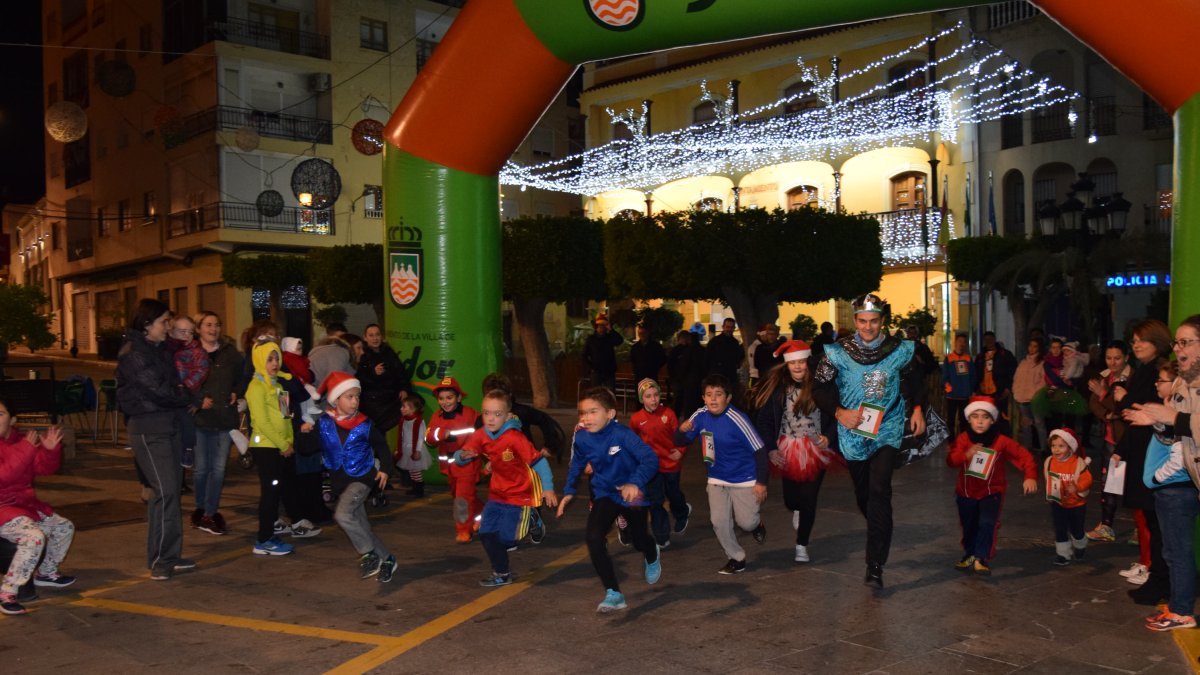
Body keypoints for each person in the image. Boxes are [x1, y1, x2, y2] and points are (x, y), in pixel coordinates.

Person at [813, 293, 927, 588]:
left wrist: (917, 409)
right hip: (852, 432)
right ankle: (880, 522)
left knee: (880, 489)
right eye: (862, 321)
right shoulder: (835, 353)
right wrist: (840, 412)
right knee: (865, 494)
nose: (868, 327)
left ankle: (875, 564)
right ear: (855, 321)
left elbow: (916, 379)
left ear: (882, 321)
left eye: (873, 321)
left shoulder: (900, 350)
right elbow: (820, 390)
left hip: (887, 426)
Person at [1123, 315, 1200, 630]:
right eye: (1177, 343)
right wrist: (1156, 420)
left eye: (1186, 342)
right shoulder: (1184, 383)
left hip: (1182, 481)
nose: (1178, 350)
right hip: (1191, 477)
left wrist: (1173, 418)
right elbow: (1179, 434)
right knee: (1174, 548)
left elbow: (1183, 423)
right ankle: (1180, 609)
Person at [116, 298, 196, 581]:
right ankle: (162, 561)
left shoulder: (155, 348)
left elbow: (175, 380)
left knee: (167, 493)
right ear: (147, 324)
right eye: (164, 321)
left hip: (167, 425)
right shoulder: (134, 353)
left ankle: (166, 556)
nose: (168, 326)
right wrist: (186, 395)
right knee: (166, 493)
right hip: (149, 429)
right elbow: (160, 390)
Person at [558, 387, 658, 611]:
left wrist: (635, 482)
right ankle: (613, 592)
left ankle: (651, 553)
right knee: (593, 537)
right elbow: (577, 464)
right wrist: (569, 491)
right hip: (606, 493)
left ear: (610, 414)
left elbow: (650, 460)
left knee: (639, 540)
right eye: (582, 413)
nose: (586, 418)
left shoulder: (622, 434)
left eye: (593, 412)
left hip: (632, 494)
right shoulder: (582, 437)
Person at [457, 388, 558, 589]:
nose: (491, 418)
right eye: (486, 413)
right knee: (486, 534)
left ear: (507, 415)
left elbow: (539, 462)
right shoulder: (481, 435)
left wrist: (548, 488)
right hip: (496, 495)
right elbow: (463, 455)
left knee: (506, 539)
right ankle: (502, 574)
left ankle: (531, 518)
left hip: (519, 495)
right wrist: (462, 456)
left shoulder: (515, 438)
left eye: (497, 414)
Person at [755, 340, 838, 564]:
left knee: (809, 498)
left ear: (808, 362)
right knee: (792, 500)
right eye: (794, 363)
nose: (799, 367)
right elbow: (764, 421)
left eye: (802, 362)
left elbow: (836, 413)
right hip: (787, 447)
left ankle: (802, 544)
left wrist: (828, 436)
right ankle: (797, 510)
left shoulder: (821, 386)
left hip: (815, 448)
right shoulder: (778, 389)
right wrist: (771, 448)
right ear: (787, 365)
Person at [676, 374, 769, 575]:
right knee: (718, 521)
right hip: (716, 478)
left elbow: (760, 451)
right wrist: (681, 430)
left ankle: (756, 524)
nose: (713, 399)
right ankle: (736, 558)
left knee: (746, 522)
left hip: (744, 478)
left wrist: (761, 482)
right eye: (709, 395)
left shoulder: (738, 419)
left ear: (728, 397)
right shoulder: (700, 415)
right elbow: (680, 440)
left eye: (718, 394)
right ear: (703, 398)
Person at [316, 372, 398, 583]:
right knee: (361, 527)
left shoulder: (364, 424)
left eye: (357, 397)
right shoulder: (325, 422)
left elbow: (382, 446)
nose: (355, 402)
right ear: (336, 400)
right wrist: (304, 432)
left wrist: (386, 469)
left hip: (363, 479)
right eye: (349, 397)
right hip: (340, 482)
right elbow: (309, 448)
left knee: (342, 515)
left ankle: (368, 554)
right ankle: (387, 558)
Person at [1115, 319, 1174, 603]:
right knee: (1152, 521)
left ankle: (1163, 580)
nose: (1136, 344)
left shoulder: (1159, 372)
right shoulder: (1145, 371)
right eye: (1134, 340)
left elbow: (1138, 410)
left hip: (1155, 455)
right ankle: (1160, 577)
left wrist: (1124, 398)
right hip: (1143, 452)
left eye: (1142, 340)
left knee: (1159, 522)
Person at [945, 396, 1038, 575]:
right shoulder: (963, 439)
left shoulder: (1001, 441)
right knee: (969, 525)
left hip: (992, 492)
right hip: (966, 493)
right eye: (975, 416)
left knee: (987, 523)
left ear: (993, 419)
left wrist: (1030, 476)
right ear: (969, 419)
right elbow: (951, 461)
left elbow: (1023, 456)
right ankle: (970, 553)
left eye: (985, 417)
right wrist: (966, 454)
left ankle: (981, 557)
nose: (980, 421)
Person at [0, 400, 74, 615]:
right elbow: (4, 476)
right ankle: (7, 591)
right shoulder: (24, 445)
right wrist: (26, 450)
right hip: (3, 509)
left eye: (0, 414)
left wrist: (50, 451)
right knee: (33, 537)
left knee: (63, 527)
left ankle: (46, 573)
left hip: (21, 506)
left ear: (12, 420)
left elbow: (43, 468)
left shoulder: (21, 441)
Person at [190, 311, 242, 536]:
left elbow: (243, 376)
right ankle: (201, 507)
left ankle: (211, 512)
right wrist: (199, 399)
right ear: (198, 328)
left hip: (224, 418)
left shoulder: (230, 353)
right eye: (208, 325)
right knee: (201, 469)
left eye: (217, 324)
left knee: (219, 469)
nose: (213, 329)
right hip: (200, 419)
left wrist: (236, 392)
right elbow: (182, 381)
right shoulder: (190, 353)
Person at [245, 341, 297, 556]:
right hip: (266, 447)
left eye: (276, 358)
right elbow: (262, 422)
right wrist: (283, 444)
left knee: (275, 493)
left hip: (280, 448)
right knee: (269, 493)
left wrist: (289, 442)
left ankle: (268, 535)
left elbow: (286, 418)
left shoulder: (278, 386)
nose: (274, 363)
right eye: (269, 359)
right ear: (259, 360)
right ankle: (263, 539)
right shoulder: (255, 388)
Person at [630, 379, 690, 548]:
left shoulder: (669, 414)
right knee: (655, 501)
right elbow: (633, 441)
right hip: (651, 468)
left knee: (673, 494)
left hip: (671, 464)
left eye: (656, 395)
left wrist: (681, 451)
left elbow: (681, 436)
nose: (653, 399)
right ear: (642, 399)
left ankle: (682, 511)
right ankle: (662, 535)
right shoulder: (636, 419)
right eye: (648, 396)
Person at [1085, 340, 1132, 543]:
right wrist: (1108, 414)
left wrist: (1103, 395)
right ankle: (1106, 525)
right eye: (1109, 358)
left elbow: (1124, 406)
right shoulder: (1104, 376)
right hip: (1110, 438)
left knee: (1133, 485)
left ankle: (1141, 529)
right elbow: (1094, 404)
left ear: (1126, 358)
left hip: (1129, 440)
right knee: (1110, 483)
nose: (1112, 362)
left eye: (1117, 358)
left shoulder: (1134, 378)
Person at [425, 377, 482, 542]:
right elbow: (429, 439)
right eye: (441, 398)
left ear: (458, 398)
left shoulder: (471, 414)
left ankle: (464, 530)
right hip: (449, 467)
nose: (445, 402)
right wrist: (440, 434)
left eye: (449, 397)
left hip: (467, 465)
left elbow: (483, 434)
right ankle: (482, 516)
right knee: (462, 496)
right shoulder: (437, 416)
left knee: (462, 499)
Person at [480, 373, 566, 464]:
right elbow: (476, 443)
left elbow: (545, 420)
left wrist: (550, 445)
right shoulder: (481, 420)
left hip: (525, 464)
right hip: (499, 467)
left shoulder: (521, 412)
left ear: (509, 395)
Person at [1044, 428, 1092, 565]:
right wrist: (1050, 495)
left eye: (1061, 446)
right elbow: (1048, 479)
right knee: (1060, 529)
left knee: (1077, 530)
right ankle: (1063, 554)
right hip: (1058, 504)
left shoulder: (1078, 462)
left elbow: (1087, 479)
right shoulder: (1049, 461)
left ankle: (1080, 544)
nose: (1056, 450)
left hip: (1077, 504)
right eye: (1053, 446)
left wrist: (1077, 487)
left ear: (1070, 447)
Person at [167, 315, 208, 471]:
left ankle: (188, 449)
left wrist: (185, 388)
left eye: (190, 332)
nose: (186, 335)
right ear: (171, 331)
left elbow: (201, 371)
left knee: (187, 425)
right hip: (169, 400)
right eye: (182, 331)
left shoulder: (196, 351)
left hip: (186, 395)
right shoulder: (165, 350)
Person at [355, 324, 410, 432]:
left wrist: (404, 389)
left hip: (391, 399)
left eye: (377, 335)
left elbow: (400, 371)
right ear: (365, 337)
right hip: (371, 402)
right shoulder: (362, 355)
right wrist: (373, 373)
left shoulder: (389, 352)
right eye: (371, 335)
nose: (375, 338)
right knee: (374, 431)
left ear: (382, 336)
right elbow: (358, 378)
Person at [974, 331, 1017, 432]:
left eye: (990, 339)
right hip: (984, 392)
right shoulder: (980, 357)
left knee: (1001, 417)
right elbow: (975, 374)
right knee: (986, 417)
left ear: (994, 340)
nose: (988, 342)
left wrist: (1007, 388)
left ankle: (1004, 441)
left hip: (999, 392)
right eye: (986, 340)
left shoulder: (1005, 354)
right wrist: (976, 389)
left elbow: (1012, 372)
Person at [1012, 336, 1047, 452]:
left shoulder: (1041, 363)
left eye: (1035, 346)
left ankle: (1043, 448)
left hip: (1035, 399)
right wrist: (1016, 391)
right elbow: (1017, 378)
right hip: (1022, 398)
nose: (1032, 348)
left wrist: (1036, 394)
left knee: (1039, 424)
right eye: (1030, 345)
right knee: (1026, 424)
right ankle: (1028, 447)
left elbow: (1043, 381)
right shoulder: (1023, 362)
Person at [396, 393, 430, 497]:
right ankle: (415, 488)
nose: (402, 409)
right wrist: (399, 448)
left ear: (413, 409)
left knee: (416, 471)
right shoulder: (404, 420)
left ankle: (419, 489)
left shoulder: (418, 421)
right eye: (402, 406)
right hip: (406, 448)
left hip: (415, 448)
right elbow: (401, 435)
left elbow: (421, 436)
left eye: (404, 407)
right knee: (412, 470)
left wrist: (418, 450)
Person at [942, 333, 974, 438]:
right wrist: (948, 388)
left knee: (964, 420)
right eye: (960, 341)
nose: (962, 344)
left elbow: (973, 376)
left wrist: (971, 389)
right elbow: (945, 376)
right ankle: (951, 442)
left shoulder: (968, 359)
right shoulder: (949, 358)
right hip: (952, 395)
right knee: (950, 420)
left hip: (965, 395)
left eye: (964, 342)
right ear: (955, 342)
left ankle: (963, 440)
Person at [668, 330, 704, 417]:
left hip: (683, 381)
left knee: (680, 403)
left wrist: (675, 378)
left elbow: (675, 366)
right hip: (694, 381)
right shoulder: (701, 350)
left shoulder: (686, 350)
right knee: (690, 404)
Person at [583, 314, 623, 390]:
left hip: (609, 371)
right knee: (596, 392)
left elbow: (619, 341)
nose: (601, 328)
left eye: (603, 326)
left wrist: (611, 330)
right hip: (596, 371)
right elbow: (585, 354)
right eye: (599, 326)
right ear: (596, 327)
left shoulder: (610, 338)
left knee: (610, 392)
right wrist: (591, 366)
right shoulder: (591, 339)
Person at [706, 318, 745, 391]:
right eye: (727, 327)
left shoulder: (735, 343)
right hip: (717, 375)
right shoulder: (714, 342)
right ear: (723, 327)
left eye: (731, 327)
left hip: (731, 376)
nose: (729, 330)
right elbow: (707, 359)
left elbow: (737, 359)